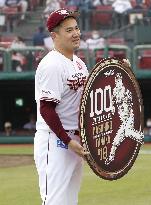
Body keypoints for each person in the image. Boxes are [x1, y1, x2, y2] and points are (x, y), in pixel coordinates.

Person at [34, 8, 89, 205]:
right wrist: (67, 140)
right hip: (56, 141)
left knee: (69, 201)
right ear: (54, 35)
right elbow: (46, 109)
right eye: (68, 30)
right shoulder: (52, 65)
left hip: (74, 140)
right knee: (55, 201)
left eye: (76, 28)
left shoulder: (79, 63)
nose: (76, 33)